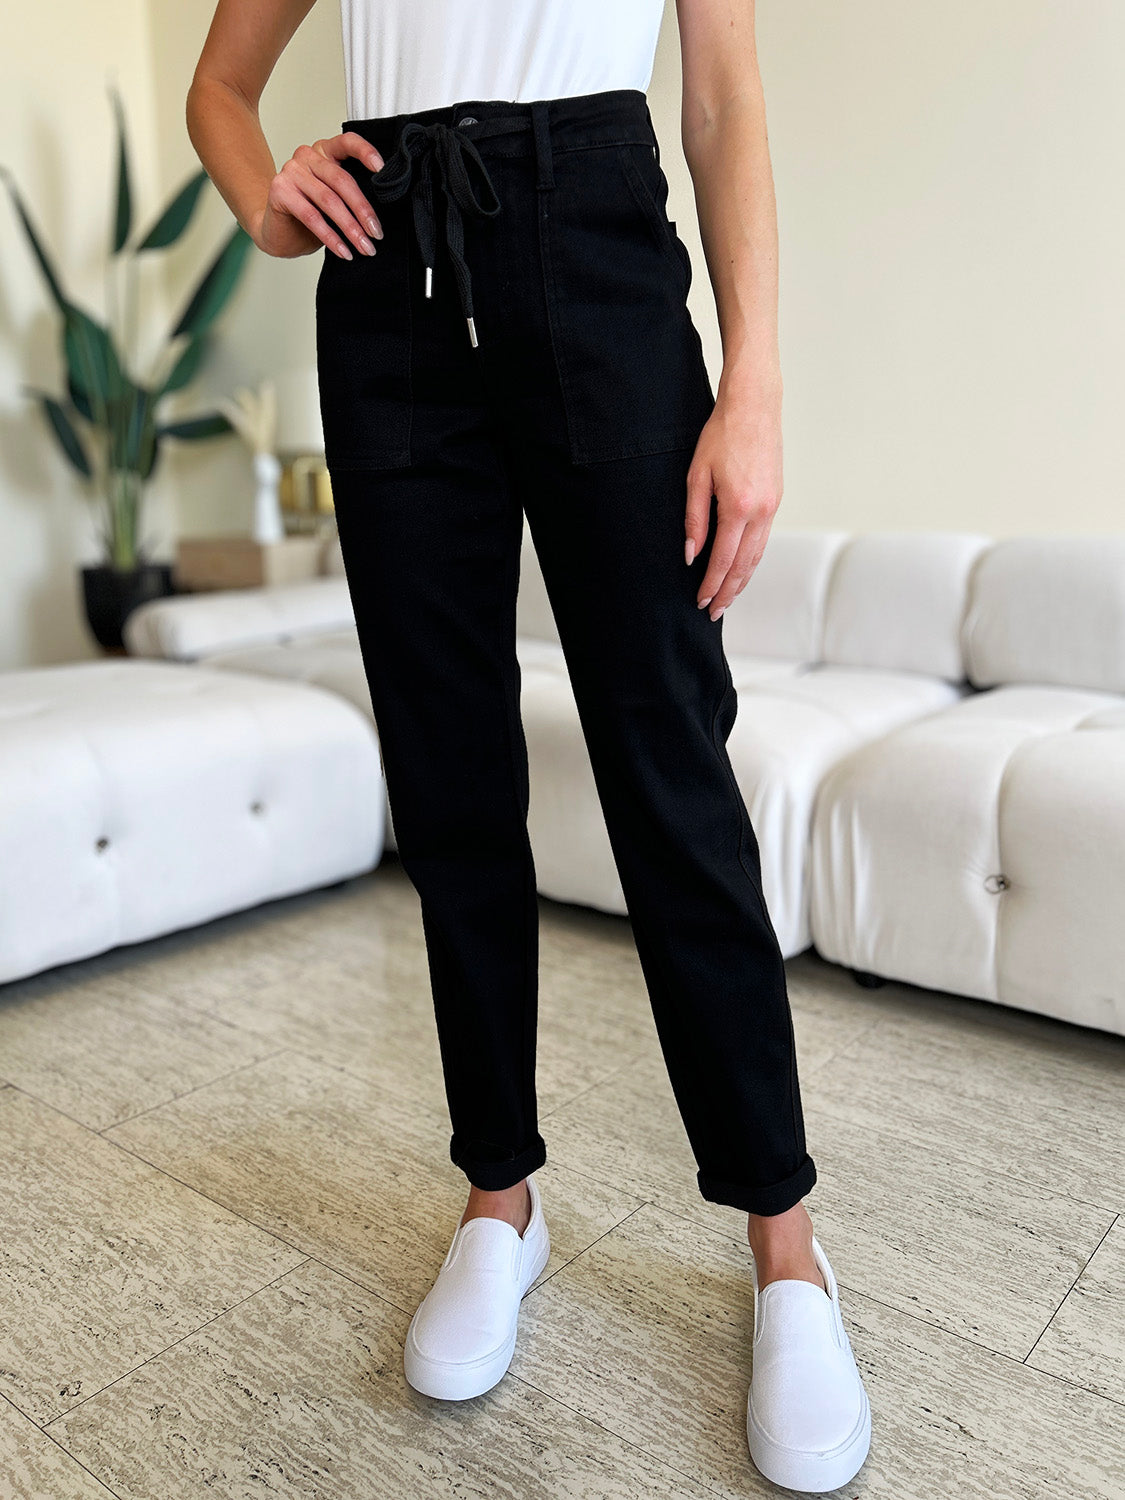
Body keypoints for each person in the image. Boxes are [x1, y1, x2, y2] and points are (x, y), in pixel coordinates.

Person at [187, 0, 871, 1489]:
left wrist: (749, 384)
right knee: (447, 782)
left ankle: (785, 1253)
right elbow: (220, 89)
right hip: (384, 285)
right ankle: (499, 1204)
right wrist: (264, 198)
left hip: (599, 256)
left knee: (668, 767)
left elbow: (720, 100)